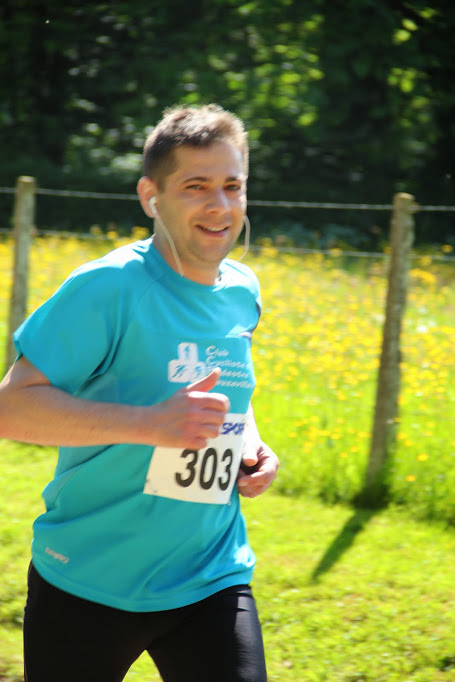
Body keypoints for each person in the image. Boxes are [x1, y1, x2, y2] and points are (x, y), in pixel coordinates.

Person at [0, 103, 279, 682]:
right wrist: (151, 424)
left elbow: (230, 391)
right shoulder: (108, 287)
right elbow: (11, 407)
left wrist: (252, 446)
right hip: (90, 577)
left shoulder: (243, 289)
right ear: (151, 196)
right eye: (196, 186)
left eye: (232, 186)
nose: (220, 205)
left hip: (211, 572)